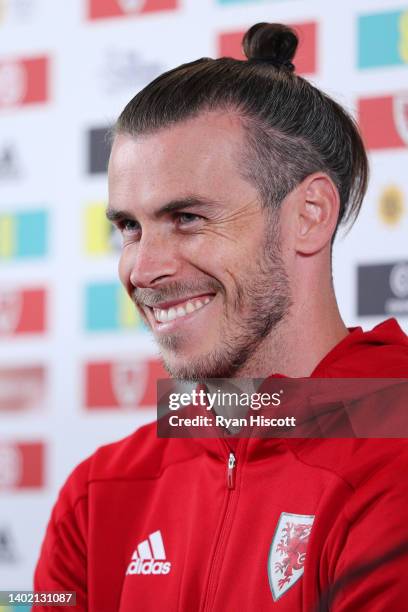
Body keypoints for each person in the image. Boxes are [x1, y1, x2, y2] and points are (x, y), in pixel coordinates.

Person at [34, 23, 408, 611]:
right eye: (130, 227)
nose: (143, 269)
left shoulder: (395, 453)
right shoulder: (97, 493)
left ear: (309, 215)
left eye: (187, 218)